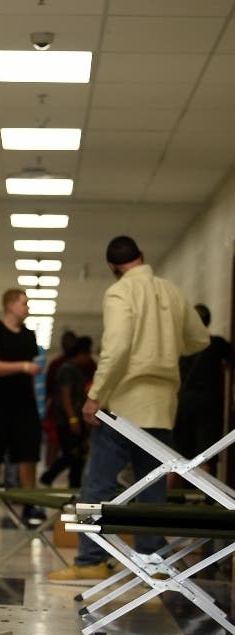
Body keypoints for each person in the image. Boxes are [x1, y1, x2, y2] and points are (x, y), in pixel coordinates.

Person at [48, 236, 209, 582]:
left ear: (112, 269)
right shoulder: (172, 291)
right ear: (142, 256)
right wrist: (165, 344)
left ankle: (91, 559)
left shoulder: (120, 292)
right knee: (153, 487)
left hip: (127, 406)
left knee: (98, 486)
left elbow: (118, 347)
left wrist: (96, 395)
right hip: (163, 406)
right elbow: (200, 339)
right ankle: (152, 560)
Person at [0, 289, 44, 526]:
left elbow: (32, 368)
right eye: (24, 303)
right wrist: (23, 367)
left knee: (28, 454)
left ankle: (29, 504)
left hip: (23, 403)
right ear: (10, 305)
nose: (27, 308)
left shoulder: (29, 336)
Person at [172, 304, 233, 474]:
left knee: (175, 457)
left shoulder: (180, 346)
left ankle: (169, 498)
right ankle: (204, 500)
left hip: (181, 402)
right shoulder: (218, 344)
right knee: (206, 454)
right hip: (208, 405)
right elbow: (230, 364)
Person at [39, 336, 93, 488]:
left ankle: (74, 485)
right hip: (67, 420)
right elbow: (65, 396)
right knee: (71, 455)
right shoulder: (67, 369)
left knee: (77, 457)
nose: (88, 359)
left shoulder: (74, 369)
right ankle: (47, 477)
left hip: (73, 419)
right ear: (81, 354)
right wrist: (73, 419)